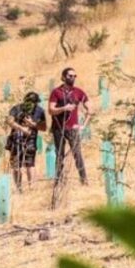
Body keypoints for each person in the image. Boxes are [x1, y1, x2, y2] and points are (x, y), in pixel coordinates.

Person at [48, 67, 91, 208]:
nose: (72, 78)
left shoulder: (78, 92)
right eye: (70, 75)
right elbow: (51, 110)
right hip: (58, 128)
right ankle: (58, 181)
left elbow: (90, 109)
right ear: (63, 77)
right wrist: (63, 108)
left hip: (72, 128)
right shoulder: (56, 92)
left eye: (74, 76)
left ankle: (83, 180)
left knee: (77, 154)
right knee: (59, 155)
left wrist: (83, 125)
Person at [5, 92, 46, 192]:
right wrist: (22, 129)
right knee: (16, 166)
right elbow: (9, 121)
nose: (34, 105)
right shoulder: (17, 108)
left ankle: (31, 188)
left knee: (30, 164)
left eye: (35, 103)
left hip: (31, 140)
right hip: (16, 140)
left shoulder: (40, 111)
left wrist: (33, 124)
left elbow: (44, 127)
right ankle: (19, 189)